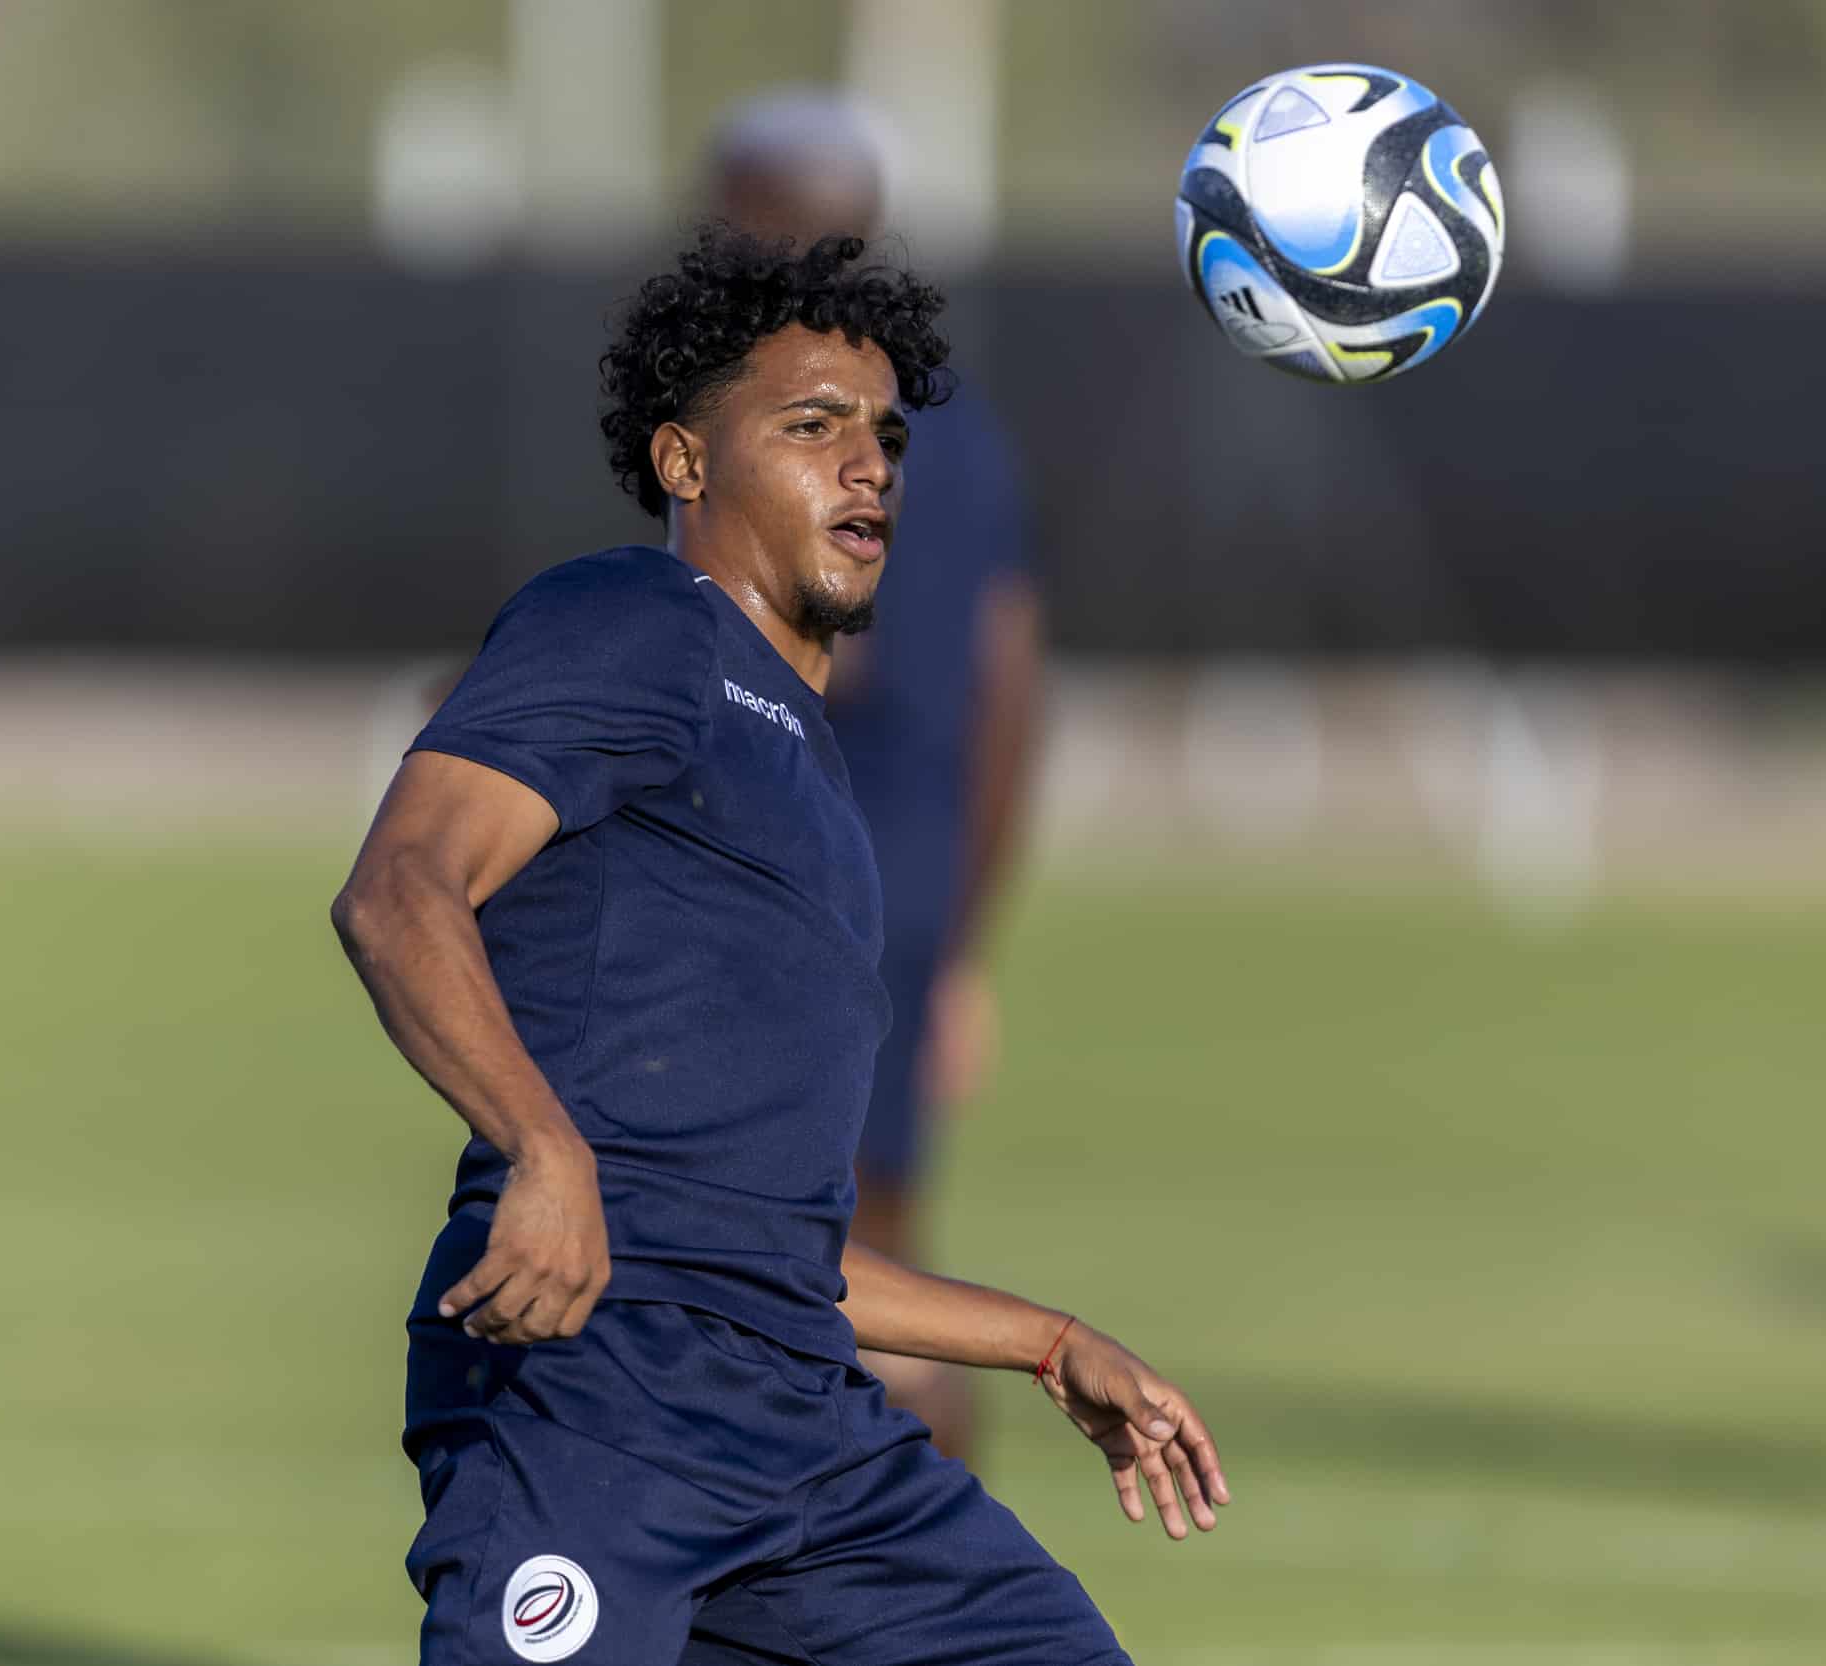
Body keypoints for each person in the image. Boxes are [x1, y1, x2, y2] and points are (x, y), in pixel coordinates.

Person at [332, 226, 1224, 1664]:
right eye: (812, 428)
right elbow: (399, 884)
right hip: (599, 1402)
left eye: (882, 435)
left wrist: (1047, 1340)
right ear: (686, 465)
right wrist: (542, 1152)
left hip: (808, 1446)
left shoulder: (812, 783)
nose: (867, 464)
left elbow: (778, 1247)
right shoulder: (631, 620)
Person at [703, 93, 1044, 1466]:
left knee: (815, 1289)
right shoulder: (960, 430)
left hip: (785, 902)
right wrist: (959, 944)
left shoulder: (767, 421)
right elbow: (1013, 694)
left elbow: (780, 670)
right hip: (899, 895)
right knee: (879, 1268)